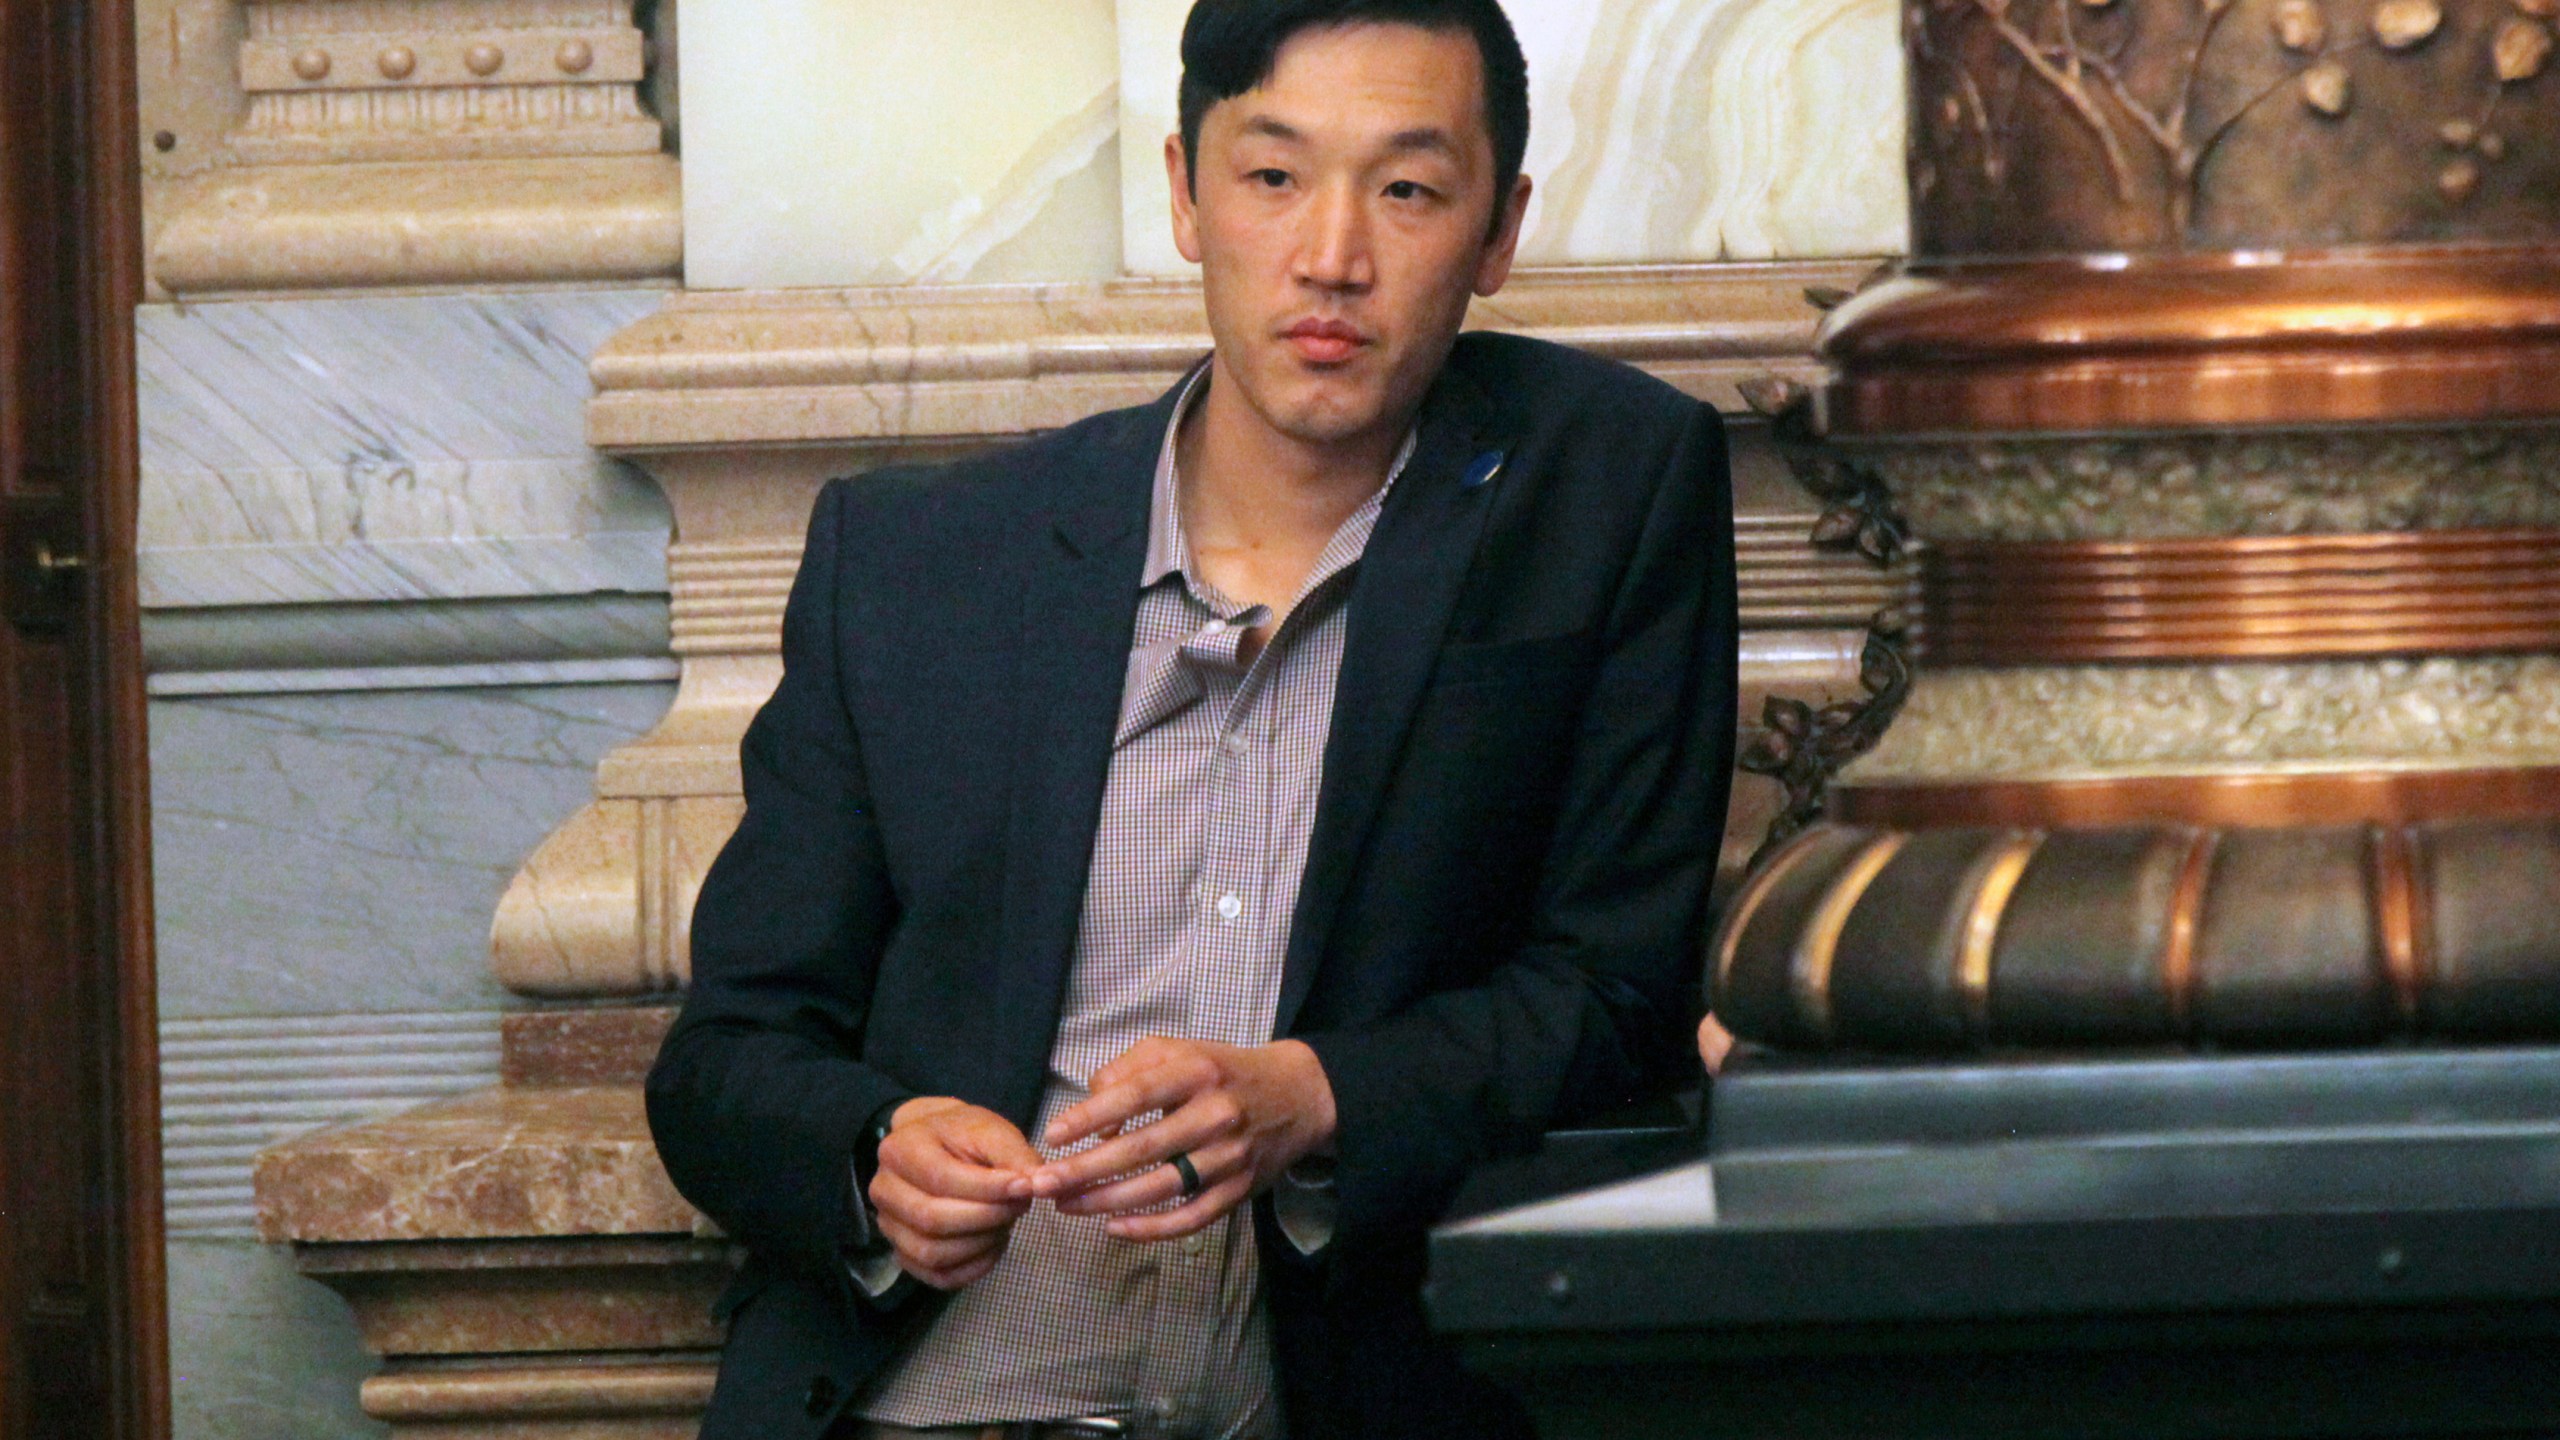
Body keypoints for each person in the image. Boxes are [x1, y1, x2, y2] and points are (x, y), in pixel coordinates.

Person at [644, 1, 1739, 1436]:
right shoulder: (919, 565)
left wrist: (1318, 1095)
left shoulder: (1604, 491)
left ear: (1499, 231)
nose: (1331, 256)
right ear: (1184, 195)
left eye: (1408, 189)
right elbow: (724, 1059)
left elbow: (1615, 992)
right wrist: (874, 1157)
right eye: (1271, 177)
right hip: (932, 1399)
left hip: (1338, 1390)